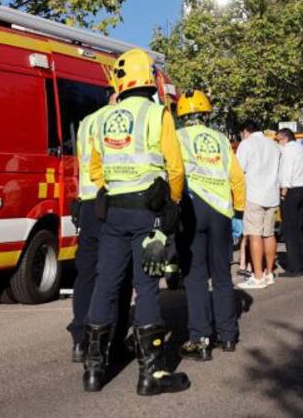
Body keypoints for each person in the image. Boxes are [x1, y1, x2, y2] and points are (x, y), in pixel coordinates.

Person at [80, 48, 189, 396]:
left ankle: (93, 370)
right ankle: (151, 374)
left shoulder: (101, 118)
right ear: (149, 78)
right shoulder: (158, 114)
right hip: (149, 211)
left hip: (113, 210)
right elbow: (175, 167)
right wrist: (171, 204)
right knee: (146, 286)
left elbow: (95, 168)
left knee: (106, 284)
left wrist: (112, 187)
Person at [172, 90, 246, 361]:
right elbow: (236, 177)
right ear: (205, 114)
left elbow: (173, 173)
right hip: (221, 211)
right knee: (222, 276)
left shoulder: (177, 138)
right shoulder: (220, 139)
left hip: (192, 209)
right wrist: (238, 212)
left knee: (196, 278)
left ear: (181, 114)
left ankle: (200, 338)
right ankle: (228, 336)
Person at [68, 88, 130, 363]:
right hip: (114, 201)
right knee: (116, 275)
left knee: (87, 275)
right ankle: (111, 343)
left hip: (88, 202)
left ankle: (81, 340)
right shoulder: (122, 119)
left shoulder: (87, 121)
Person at [235, 119, 281, 290]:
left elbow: (238, 171)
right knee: (269, 234)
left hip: (253, 195)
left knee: (254, 234)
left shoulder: (246, 144)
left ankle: (258, 276)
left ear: (245, 131)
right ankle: (269, 273)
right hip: (272, 195)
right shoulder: (273, 145)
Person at [276, 128, 303, 276]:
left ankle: (294, 267)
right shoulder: (301, 149)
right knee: (300, 229)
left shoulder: (287, 151)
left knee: (290, 231)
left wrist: (283, 193)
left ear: (285, 139)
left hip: (292, 191)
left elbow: (286, 172)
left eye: (278, 140)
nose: (278, 143)